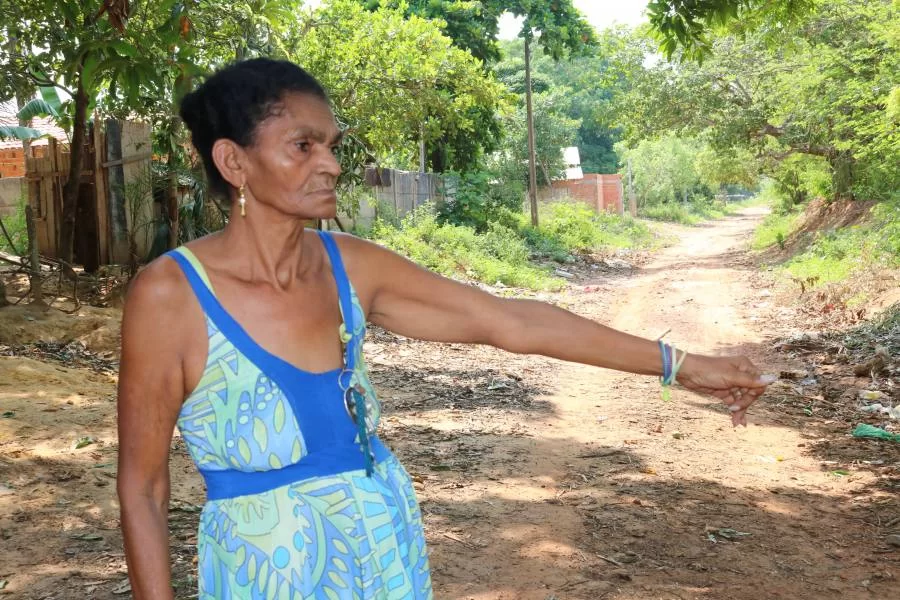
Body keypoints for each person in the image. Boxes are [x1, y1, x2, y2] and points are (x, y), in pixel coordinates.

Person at [116, 58, 771, 600]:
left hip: (384, 549)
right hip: (265, 574)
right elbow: (142, 485)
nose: (332, 165)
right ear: (234, 163)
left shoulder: (353, 270)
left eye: (332, 146)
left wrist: (678, 362)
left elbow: (507, 320)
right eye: (303, 146)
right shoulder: (172, 297)